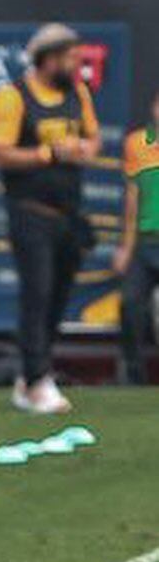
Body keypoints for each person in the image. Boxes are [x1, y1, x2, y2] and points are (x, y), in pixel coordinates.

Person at [0, 22, 100, 414]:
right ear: (48, 59)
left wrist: (82, 149)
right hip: (30, 214)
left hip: (69, 215)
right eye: (70, 58)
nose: (77, 64)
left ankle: (31, 376)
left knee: (59, 298)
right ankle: (36, 382)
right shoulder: (12, 96)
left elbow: (93, 140)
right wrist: (50, 154)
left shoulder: (77, 92)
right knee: (37, 295)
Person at [115, 89, 159, 384]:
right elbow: (132, 199)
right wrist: (125, 248)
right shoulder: (136, 143)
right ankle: (133, 376)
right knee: (130, 305)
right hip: (145, 243)